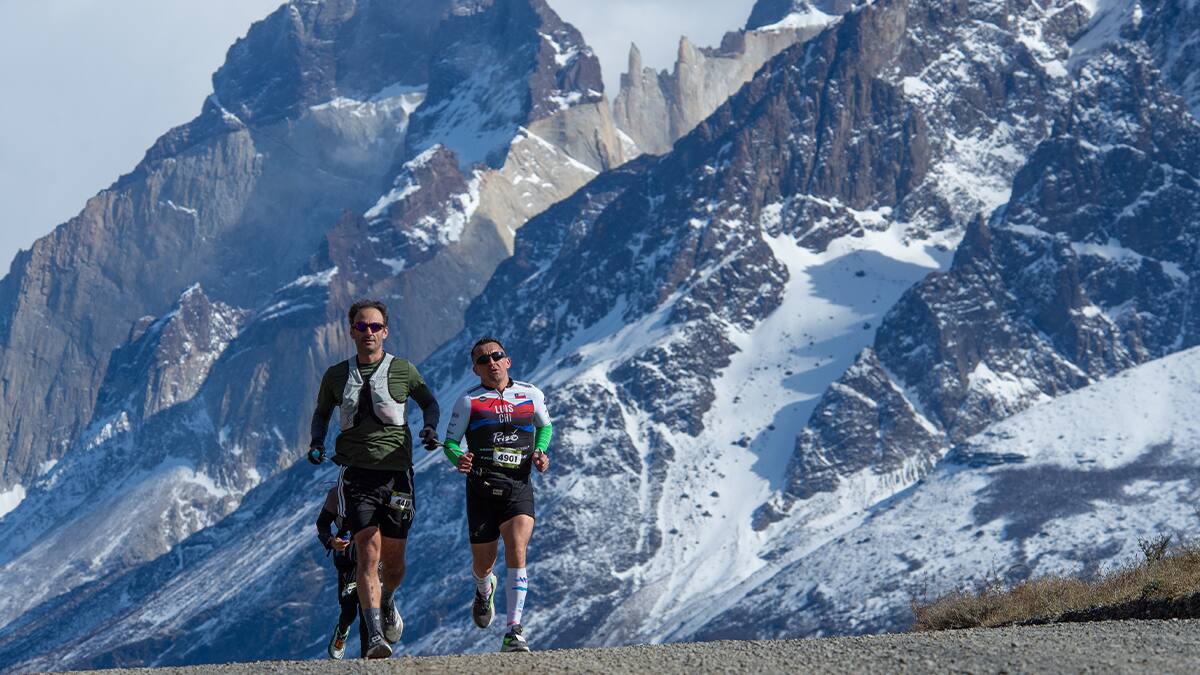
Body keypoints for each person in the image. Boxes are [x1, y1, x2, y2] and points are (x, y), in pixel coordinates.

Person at [307, 299, 441, 659]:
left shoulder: (404, 370)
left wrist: (429, 428)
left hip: (398, 475)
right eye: (361, 326)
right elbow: (321, 413)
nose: (368, 332)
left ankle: (389, 599)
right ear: (351, 331)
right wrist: (317, 442)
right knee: (367, 551)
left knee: (393, 562)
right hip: (357, 476)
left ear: (386, 331)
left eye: (375, 327)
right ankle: (376, 637)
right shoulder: (336, 376)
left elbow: (429, 402)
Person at [441, 336, 552, 653]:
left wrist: (540, 452)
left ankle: (513, 630)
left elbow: (545, 426)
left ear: (508, 360)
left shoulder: (530, 394)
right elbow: (450, 443)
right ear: (476, 369)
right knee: (484, 563)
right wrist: (457, 458)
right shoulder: (468, 401)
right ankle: (482, 587)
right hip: (481, 488)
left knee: (517, 548)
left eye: (496, 356)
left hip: (518, 484)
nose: (490, 363)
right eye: (482, 360)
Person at [314, 486, 366, 659]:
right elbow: (322, 523)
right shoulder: (337, 493)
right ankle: (342, 631)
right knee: (350, 610)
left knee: (370, 604)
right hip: (347, 558)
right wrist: (331, 541)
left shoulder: (379, 485)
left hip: (373, 554)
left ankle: (370, 651)